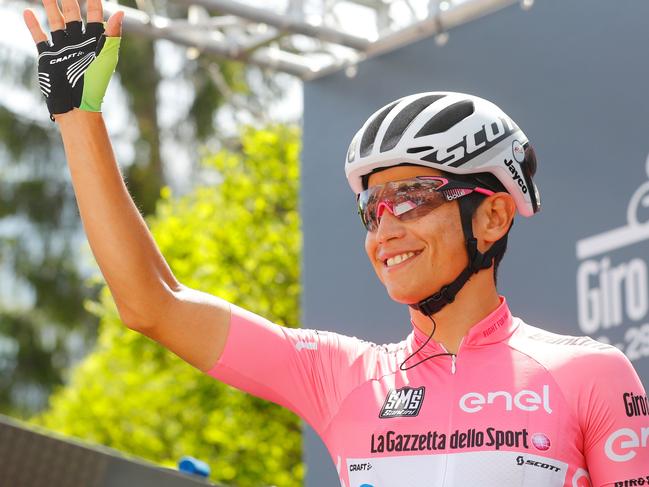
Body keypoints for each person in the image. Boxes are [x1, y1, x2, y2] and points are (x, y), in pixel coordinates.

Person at [23, 0, 648, 485]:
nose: (386, 230)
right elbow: (151, 304)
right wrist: (80, 117)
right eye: (371, 209)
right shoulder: (340, 375)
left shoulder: (590, 376)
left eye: (412, 199)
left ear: (492, 218)